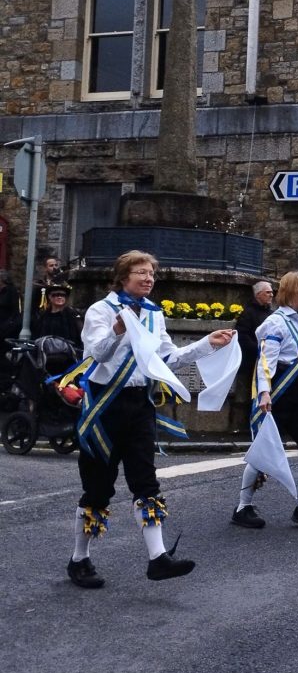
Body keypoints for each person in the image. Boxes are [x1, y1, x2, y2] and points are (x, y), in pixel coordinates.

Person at [66, 250, 235, 589]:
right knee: (98, 488)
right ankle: (79, 558)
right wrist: (117, 329)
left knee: (146, 481)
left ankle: (158, 559)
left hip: (139, 405)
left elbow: (167, 359)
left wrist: (206, 344)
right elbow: (95, 355)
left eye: (151, 274)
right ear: (123, 276)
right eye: (141, 272)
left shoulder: (154, 314)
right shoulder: (101, 311)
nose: (148, 279)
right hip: (104, 406)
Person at [231, 271, 298, 530]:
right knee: (262, 453)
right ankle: (243, 506)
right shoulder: (276, 323)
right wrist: (264, 392)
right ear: (289, 292)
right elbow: (265, 361)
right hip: (277, 396)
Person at [229, 280, 274, 432]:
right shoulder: (248, 312)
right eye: (268, 292)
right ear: (258, 294)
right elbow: (242, 335)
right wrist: (259, 350)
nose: (271, 294)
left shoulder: (270, 313)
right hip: (250, 361)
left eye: (271, 292)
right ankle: (239, 427)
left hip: (265, 362)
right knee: (244, 395)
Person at [32, 283, 82, 349]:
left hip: (67, 353)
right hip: (45, 352)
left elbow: (79, 336)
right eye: (55, 295)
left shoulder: (72, 315)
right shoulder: (43, 316)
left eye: (63, 295)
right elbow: (37, 335)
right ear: (50, 296)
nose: (59, 297)